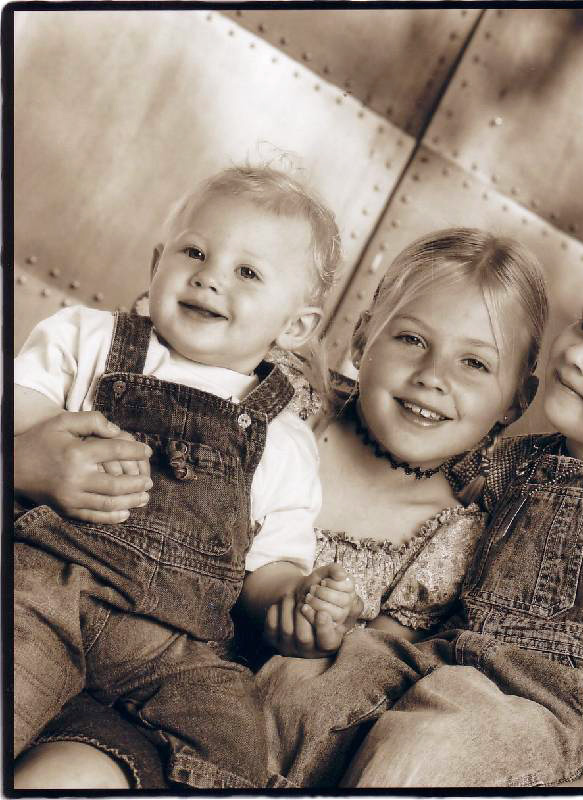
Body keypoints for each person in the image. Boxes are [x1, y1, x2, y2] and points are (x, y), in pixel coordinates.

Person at [254, 216, 583, 788]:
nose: (579, 354)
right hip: (443, 662)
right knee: (299, 686)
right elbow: (434, 461)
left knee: (424, 750)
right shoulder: (526, 460)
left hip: (542, 712)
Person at [13, 227, 550, 788]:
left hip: (176, 713)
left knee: (68, 778)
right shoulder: (274, 404)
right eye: (412, 339)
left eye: (475, 363)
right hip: (62, 601)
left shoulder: (447, 542)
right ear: (363, 338)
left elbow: (350, 688)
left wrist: (315, 631)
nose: (432, 377)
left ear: (516, 400)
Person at [12, 164, 360, 789]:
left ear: (296, 325)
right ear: (157, 263)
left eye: (247, 272)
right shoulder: (87, 339)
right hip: (48, 588)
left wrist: (296, 603)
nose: (209, 277)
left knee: (236, 740)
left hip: (169, 642)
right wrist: (33, 459)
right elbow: (18, 423)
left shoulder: (284, 439)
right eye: (194, 252)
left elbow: (268, 569)